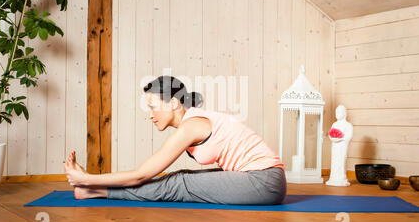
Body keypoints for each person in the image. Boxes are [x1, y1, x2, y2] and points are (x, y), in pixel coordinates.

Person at [65, 76, 287, 205]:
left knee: (179, 183)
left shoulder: (191, 126)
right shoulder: (192, 122)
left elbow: (140, 175)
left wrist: (87, 178)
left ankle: (93, 189)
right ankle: (92, 190)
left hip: (264, 182)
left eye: (153, 106)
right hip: (261, 179)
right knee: (178, 179)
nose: (150, 114)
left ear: (173, 103)